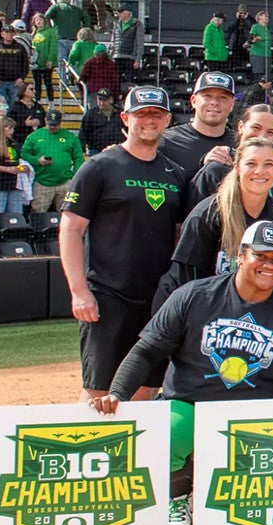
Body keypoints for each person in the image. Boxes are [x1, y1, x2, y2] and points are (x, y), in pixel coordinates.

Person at [89, 220, 273, 525]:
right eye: (261, 256)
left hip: (254, 414)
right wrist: (119, 392)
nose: (270, 266)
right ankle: (176, 499)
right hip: (191, 403)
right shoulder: (193, 296)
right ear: (241, 255)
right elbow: (146, 352)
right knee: (172, 431)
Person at [59, 86, 187, 409]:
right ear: (125, 119)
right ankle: (88, 453)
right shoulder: (99, 167)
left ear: (167, 119)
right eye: (141, 114)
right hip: (108, 296)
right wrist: (78, 291)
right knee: (98, 390)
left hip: (158, 299)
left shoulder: (175, 173)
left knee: (146, 387)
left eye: (156, 114)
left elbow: (178, 234)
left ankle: (139, 459)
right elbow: (71, 229)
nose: (149, 121)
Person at [161, 137, 273, 306]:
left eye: (268, 164)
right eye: (251, 163)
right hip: (196, 305)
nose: (260, 171)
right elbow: (188, 282)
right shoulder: (207, 214)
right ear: (237, 168)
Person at [158, 72, 237, 190]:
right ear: (193, 101)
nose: (214, 102)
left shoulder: (240, 143)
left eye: (223, 97)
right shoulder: (167, 141)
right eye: (207, 96)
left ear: (232, 104)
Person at [20, 108, 80, 212]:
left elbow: (78, 157)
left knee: (68, 213)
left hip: (65, 182)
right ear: (44, 120)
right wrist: (37, 161)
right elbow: (24, 155)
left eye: (55, 124)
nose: (53, 127)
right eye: (50, 124)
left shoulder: (70, 137)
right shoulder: (34, 136)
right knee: (38, 213)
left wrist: (74, 176)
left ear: (61, 122)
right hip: (42, 182)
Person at [0, 26, 28, 106]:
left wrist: (21, 78)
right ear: (2, 34)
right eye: (7, 33)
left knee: (14, 106)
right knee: (1, 106)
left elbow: (25, 64)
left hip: (15, 82)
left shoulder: (20, 48)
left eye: (11, 33)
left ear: (14, 34)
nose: (9, 35)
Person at [78, 88, 121, 154]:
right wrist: (81, 150)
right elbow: (83, 133)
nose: (101, 103)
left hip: (116, 151)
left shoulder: (120, 113)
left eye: (104, 100)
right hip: (96, 150)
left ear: (111, 100)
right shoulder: (91, 114)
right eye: (100, 100)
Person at [248, 10, 271, 81]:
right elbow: (251, 38)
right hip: (257, 54)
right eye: (266, 16)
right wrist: (256, 39)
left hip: (267, 54)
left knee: (266, 74)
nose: (267, 18)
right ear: (260, 17)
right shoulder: (255, 27)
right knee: (258, 74)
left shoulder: (267, 29)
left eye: (268, 16)